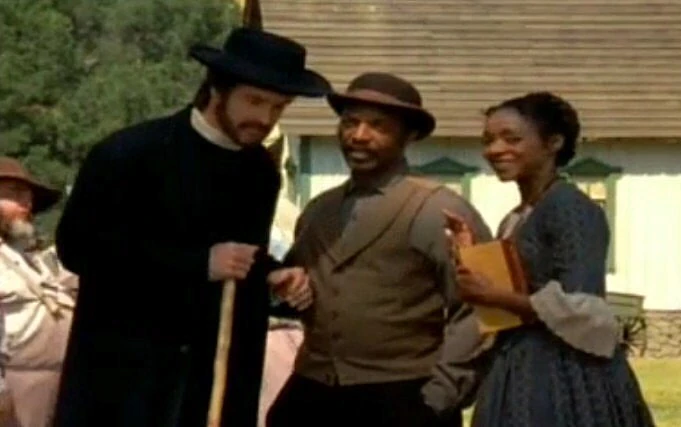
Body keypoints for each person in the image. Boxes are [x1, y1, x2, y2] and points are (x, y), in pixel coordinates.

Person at [53, 28, 331, 427]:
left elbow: (241, 257)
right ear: (217, 89)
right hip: (128, 381)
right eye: (254, 101)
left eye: (279, 107)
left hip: (214, 381)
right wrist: (198, 264)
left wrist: (272, 277)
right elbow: (79, 249)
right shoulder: (130, 154)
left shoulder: (258, 173)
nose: (265, 119)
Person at [266, 72, 492, 427]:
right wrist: (285, 285)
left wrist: (440, 395)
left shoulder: (440, 210)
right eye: (350, 122)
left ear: (408, 136)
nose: (358, 136)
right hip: (316, 387)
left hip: (402, 392)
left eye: (378, 126)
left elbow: (482, 311)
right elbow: (296, 291)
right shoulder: (319, 210)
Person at [443, 91, 655, 426]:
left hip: (567, 372)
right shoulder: (518, 216)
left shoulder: (570, 208)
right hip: (518, 362)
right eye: (488, 140)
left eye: (512, 139)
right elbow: (512, 298)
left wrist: (494, 296)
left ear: (553, 142)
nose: (494, 149)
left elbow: (583, 307)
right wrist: (470, 255)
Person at [0, 157, 75, 427]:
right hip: (14, 389)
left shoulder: (31, 259)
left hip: (56, 384)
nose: (26, 204)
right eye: (14, 194)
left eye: (28, 197)